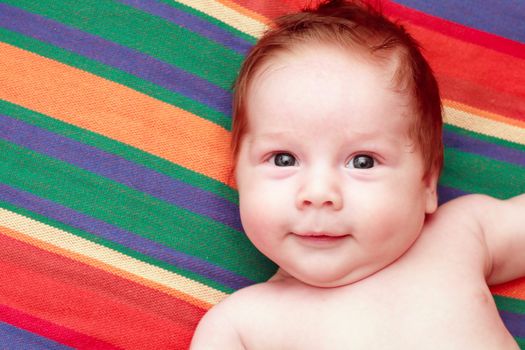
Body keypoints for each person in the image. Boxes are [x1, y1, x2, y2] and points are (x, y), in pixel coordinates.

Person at [191, 0, 525, 348]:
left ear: (427, 183)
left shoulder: (461, 234)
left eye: (362, 162)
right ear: (239, 176)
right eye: (283, 159)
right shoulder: (241, 324)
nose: (319, 192)